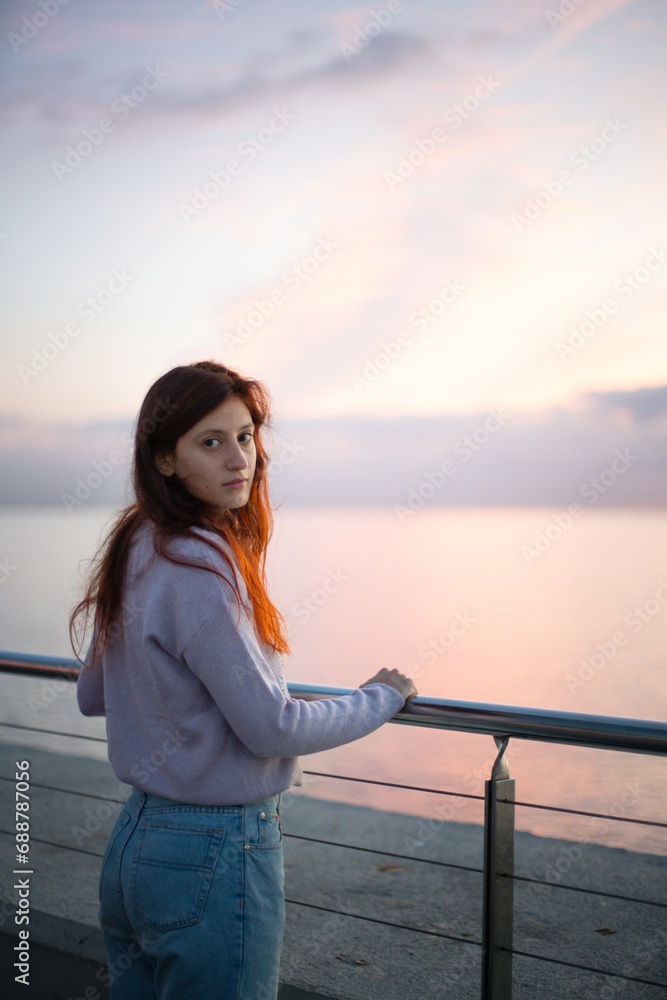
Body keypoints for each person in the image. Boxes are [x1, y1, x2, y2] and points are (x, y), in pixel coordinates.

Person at [72, 360, 417, 1000]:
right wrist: (381, 698)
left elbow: (93, 695)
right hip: (214, 849)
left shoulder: (137, 545)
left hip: (135, 847)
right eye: (211, 441)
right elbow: (270, 726)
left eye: (246, 436)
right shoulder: (202, 569)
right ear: (165, 460)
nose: (240, 459)